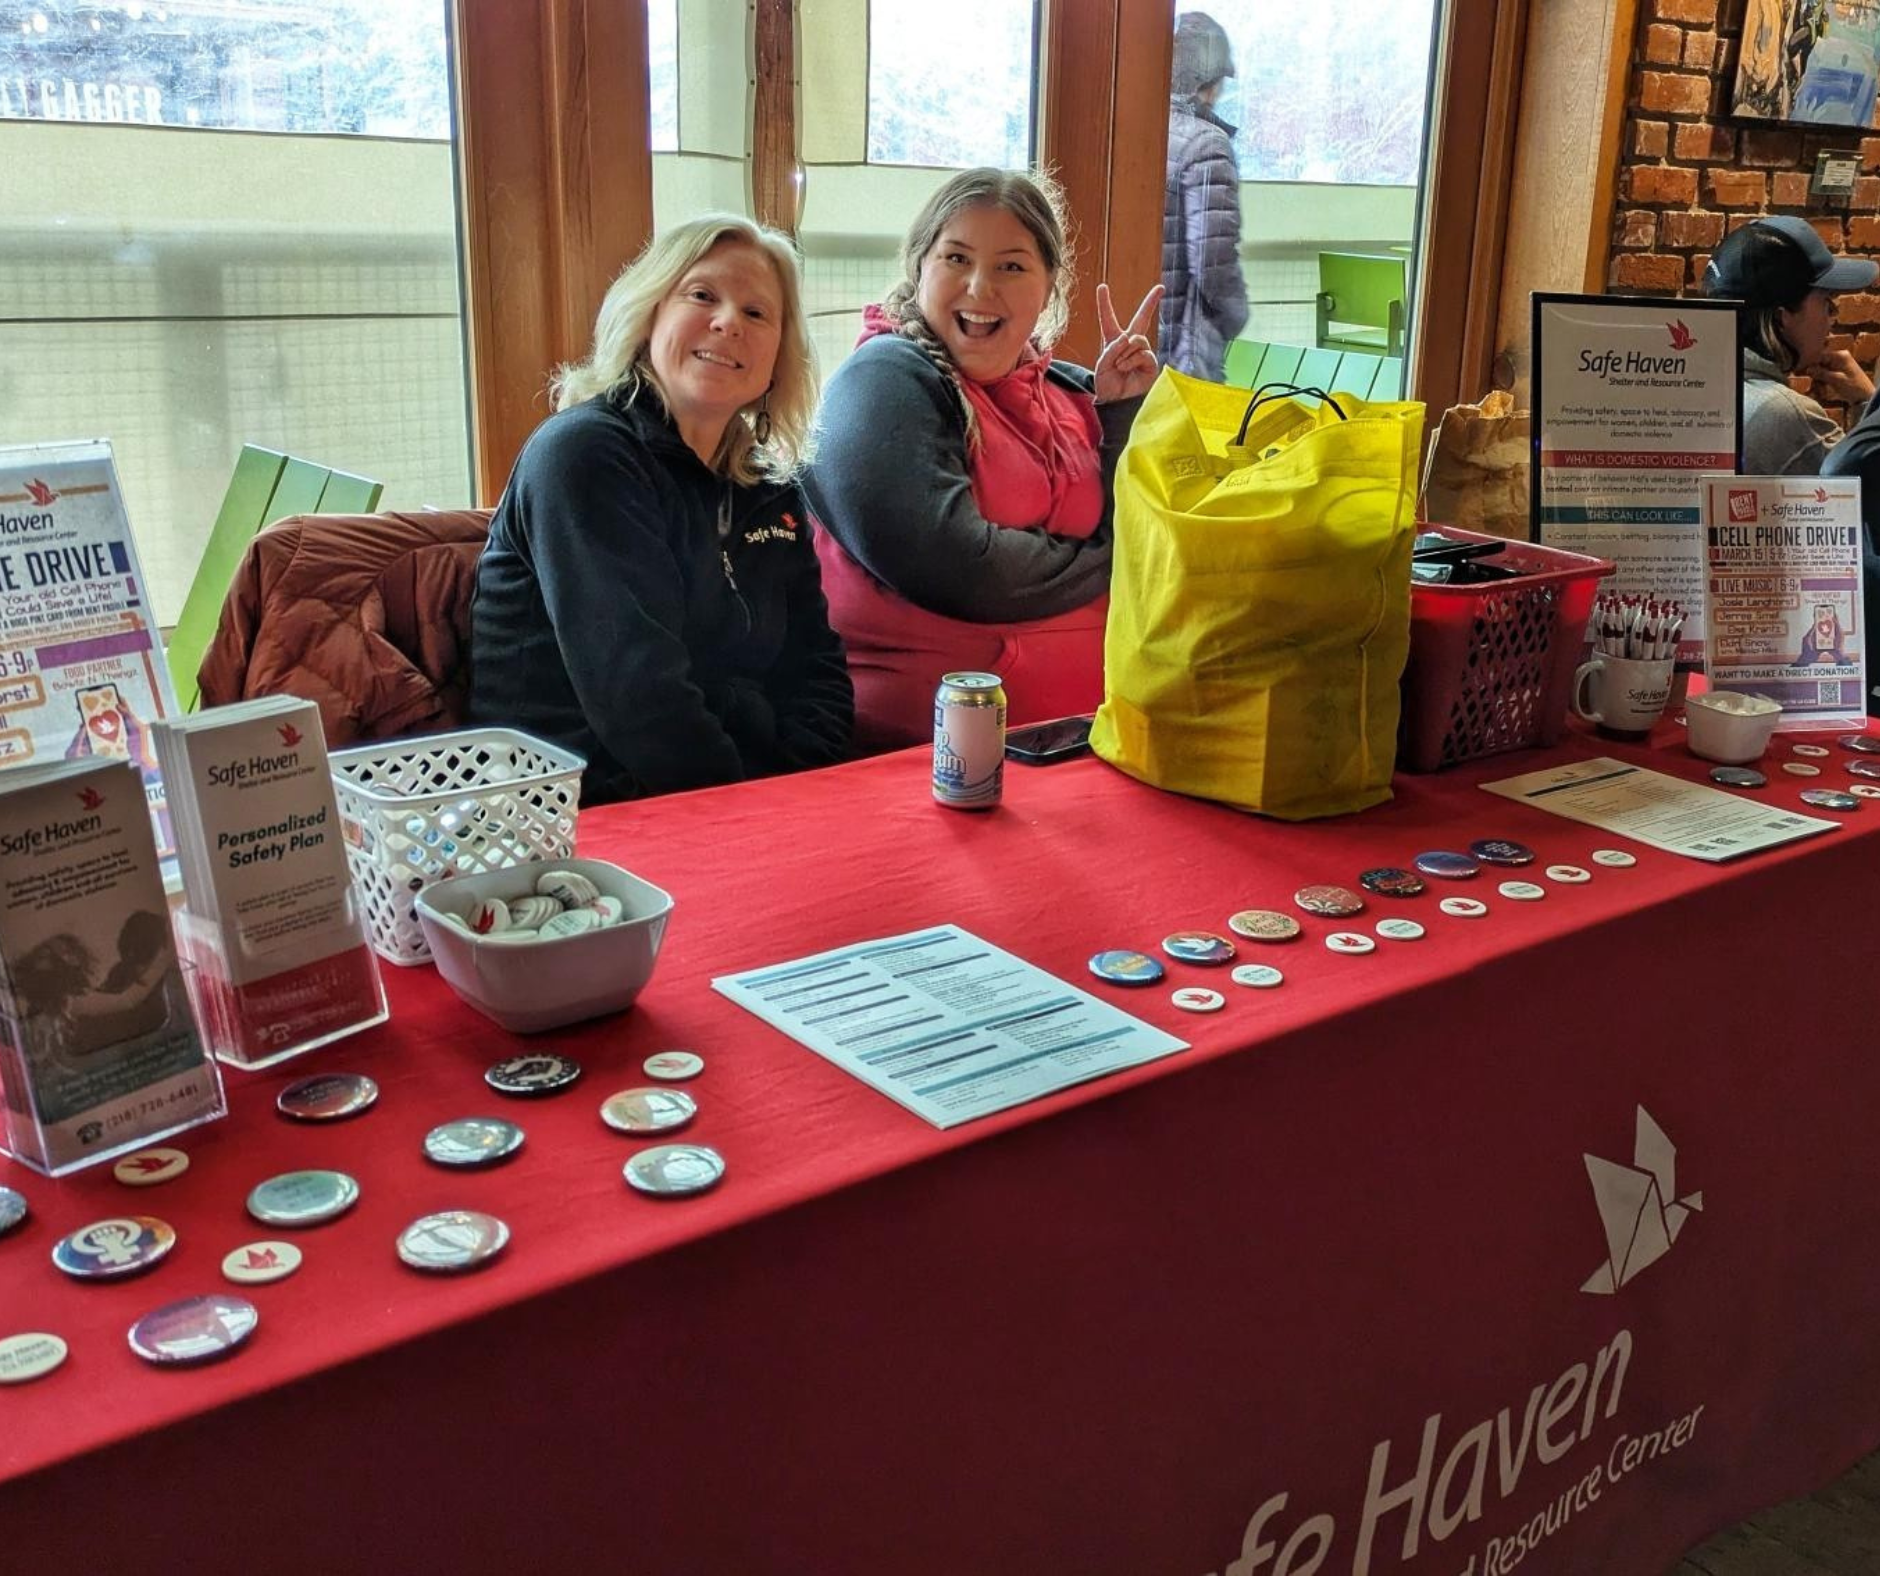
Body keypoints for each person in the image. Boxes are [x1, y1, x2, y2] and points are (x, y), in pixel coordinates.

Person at [468, 214, 852, 804]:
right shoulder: (584, 455)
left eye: (757, 313)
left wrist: (810, 790)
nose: (728, 323)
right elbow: (639, 699)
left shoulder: (769, 487)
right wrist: (757, 813)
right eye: (702, 296)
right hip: (583, 813)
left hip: (737, 799)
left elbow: (816, 668)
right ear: (648, 314)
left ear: (780, 355)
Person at [804, 168, 1161, 751]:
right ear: (919, 268)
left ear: (1048, 288)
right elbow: (960, 568)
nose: (979, 287)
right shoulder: (881, 382)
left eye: (1012, 266)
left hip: (1088, 745)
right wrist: (1111, 551)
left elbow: (1155, 539)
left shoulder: (1076, 392)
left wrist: (1122, 416)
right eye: (956, 259)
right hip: (917, 757)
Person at [1701, 214, 1878, 476]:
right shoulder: (1786, 415)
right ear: (1782, 318)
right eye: (1827, 302)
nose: (1833, 317)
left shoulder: (1701, 387)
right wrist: (1869, 404)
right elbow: (1870, 497)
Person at [1161, 11, 1249, 382]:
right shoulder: (1206, 143)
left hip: (1133, 342)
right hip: (1182, 353)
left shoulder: (1135, 129)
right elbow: (1213, 260)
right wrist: (1236, 315)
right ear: (1212, 80)